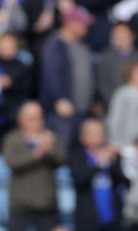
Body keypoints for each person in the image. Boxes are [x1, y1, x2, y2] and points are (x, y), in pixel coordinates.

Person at [3, 101, 66, 231]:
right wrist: (38, 152)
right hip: (20, 204)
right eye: (32, 118)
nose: (37, 121)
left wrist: (49, 148)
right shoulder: (13, 139)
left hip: (46, 204)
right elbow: (12, 161)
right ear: (21, 119)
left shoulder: (50, 137)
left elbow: (61, 159)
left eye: (39, 117)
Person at [70, 118, 125, 231]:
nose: (97, 136)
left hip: (111, 220)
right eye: (92, 133)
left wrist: (114, 162)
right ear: (83, 137)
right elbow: (79, 179)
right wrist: (98, 164)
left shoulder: (112, 155)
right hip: (88, 221)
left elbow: (123, 181)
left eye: (100, 133)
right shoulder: (77, 155)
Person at [39, 5, 95, 144]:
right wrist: (59, 99)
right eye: (83, 24)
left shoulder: (83, 46)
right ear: (71, 24)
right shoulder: (55, 45)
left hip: (83, 110)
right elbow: (50, 75)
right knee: (63, 149)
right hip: (62, 111)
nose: (86, 27)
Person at [96, 22, 138, 111]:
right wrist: (113, 102)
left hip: (137, 106)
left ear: (132, 35)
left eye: (124, 33)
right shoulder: (106, 57)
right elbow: (102, 83)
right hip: (111, 106)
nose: (120, 36)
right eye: (116, 33)